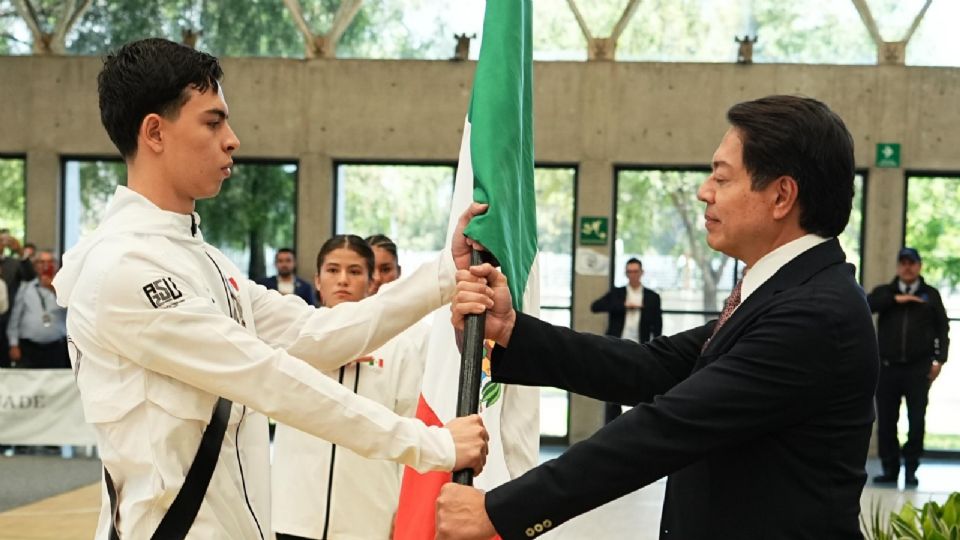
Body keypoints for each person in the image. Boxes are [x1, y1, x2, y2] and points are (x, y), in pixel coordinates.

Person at [52, 38, 488, 539]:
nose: (232, 140)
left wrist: (446, 273)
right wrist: (430, 444)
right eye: (213, 123)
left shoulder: (203, 260)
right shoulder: (122, 268)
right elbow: (269, 378)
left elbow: (315, 334)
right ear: (155, 132)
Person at [438, 95, 878, 540]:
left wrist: (500, 511)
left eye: (722, 178)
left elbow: (667, 427)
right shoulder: (788, 294)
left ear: (781, 196)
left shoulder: (814, 314)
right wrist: (510, 329)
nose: (705, 191)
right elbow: (651, 368)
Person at [272, 235, 426, 540]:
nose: (343, 280)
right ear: (317, 280)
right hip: (293, 513)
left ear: (371, 282)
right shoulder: (291, 340)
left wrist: (404, 509)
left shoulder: (398, 347)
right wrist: (328, 354)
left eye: (355, 272)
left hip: (368, 516)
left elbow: (413, 429)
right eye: (333, 270)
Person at [867, 247, 949, 487]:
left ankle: (911, 469)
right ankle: (890, 470)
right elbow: (867, 305)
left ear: (919, 266)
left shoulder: (930, 295)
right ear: (897, 267)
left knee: (916, 420)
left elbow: (942, 328)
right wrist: (895, 300)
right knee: (886, 422)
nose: (907, 267)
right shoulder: (885, 292)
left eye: (911, 263)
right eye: (903, 263)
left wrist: (940, 360)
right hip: (888, 369)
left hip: (918, 369)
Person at [590, 257, 663, 423]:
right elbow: (595, 306)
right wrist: (624, 306)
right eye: (629, 272)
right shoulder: (618, 293)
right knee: (612, 390)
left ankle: (641, 426)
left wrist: (656, 349)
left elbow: (657, 325)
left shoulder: (652, 297)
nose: (633, 275)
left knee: (642, 389)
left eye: (635, 272)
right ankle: (611, 427)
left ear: (642, 273)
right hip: (617, 346)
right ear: (626, 273)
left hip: (641, 347)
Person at [7, 250, 68, 368]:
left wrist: (53, 289)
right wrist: (13, 344)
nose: (46, 265)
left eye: (50, 262)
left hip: (56, 347)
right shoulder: (25, 287)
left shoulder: (64, 288)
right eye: (42, 262)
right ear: (35, 266)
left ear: (56, 265)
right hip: (29, 348)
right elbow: (15, 318)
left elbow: (71, 311)